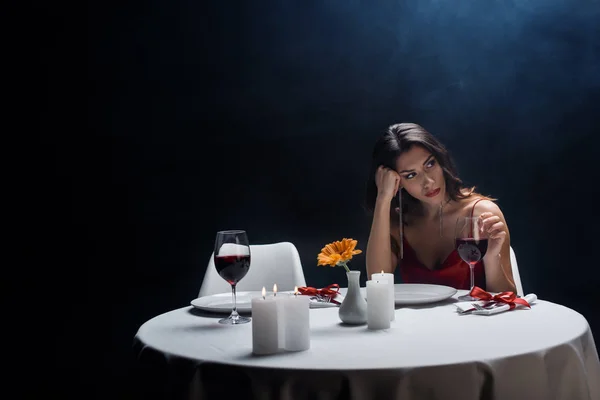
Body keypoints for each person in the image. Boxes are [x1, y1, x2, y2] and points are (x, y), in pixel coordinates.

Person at [364, 122, 517, 293]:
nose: (428, 182)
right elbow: (377, 283)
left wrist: (491, 257)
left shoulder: (481, 214)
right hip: (418, 320)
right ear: (397, 182)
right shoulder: (399, 222)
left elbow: (507, 298)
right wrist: (383, 198)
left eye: (430, 164)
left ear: (440, 161)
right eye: (411, 175)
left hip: (477, 319)